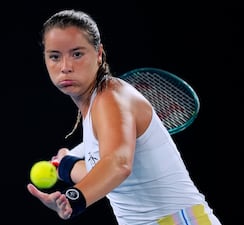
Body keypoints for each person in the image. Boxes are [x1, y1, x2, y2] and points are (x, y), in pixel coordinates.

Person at [27, 9, 222, 225]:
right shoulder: (95, 107)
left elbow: (118, 164)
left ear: (99, 54)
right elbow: (105, 174)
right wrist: (65, 165)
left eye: (77, 54)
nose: (65, 67)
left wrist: (74, 198)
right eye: (55, 56)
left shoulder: (111, 96)